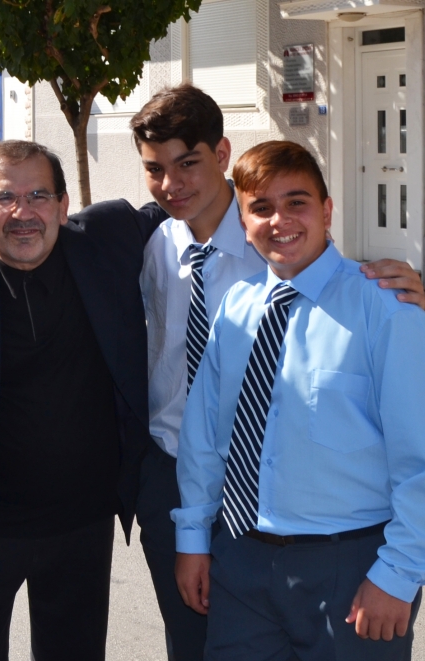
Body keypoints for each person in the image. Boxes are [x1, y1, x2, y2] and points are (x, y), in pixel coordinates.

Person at [129, 84, 425, 661]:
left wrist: (400, 572)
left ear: (327, 210)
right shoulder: (234, 307)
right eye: (261, 208)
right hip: (240, 556)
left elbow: (418, 455)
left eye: (297, 203)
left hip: (349, 562)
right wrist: (194, 538)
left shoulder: (384, 306)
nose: (279, 220)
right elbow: (205, 438)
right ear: (243, 219)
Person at [0, 141, 166, 661]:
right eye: (5, 198)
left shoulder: (107, 238)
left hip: (82, 523)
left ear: (64, 206)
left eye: (39, 196)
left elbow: (195, 197)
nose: (23, 212)